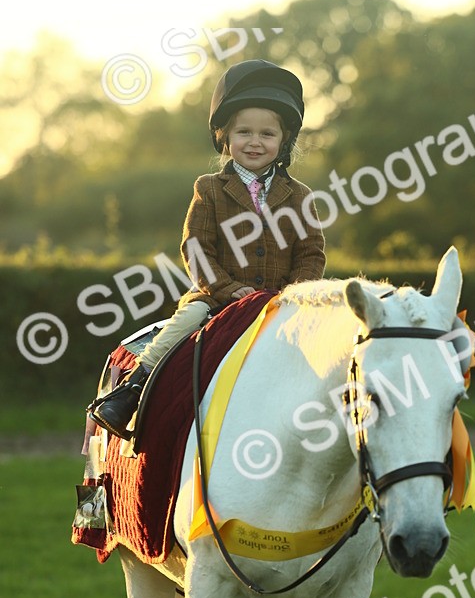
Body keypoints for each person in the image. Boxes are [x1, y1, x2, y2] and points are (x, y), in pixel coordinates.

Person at [90, 59, 326, 439]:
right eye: (244, 132)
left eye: (267, 134)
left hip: (282, 303)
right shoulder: (210, 189)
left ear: (283, 141)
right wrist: (230, 290)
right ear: (225, 136)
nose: (255, 141)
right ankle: (133, 389)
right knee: (184, 321)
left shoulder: (300, 196)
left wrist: (294, 296)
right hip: (216, 298)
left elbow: (311, 254)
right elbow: (196, 247)